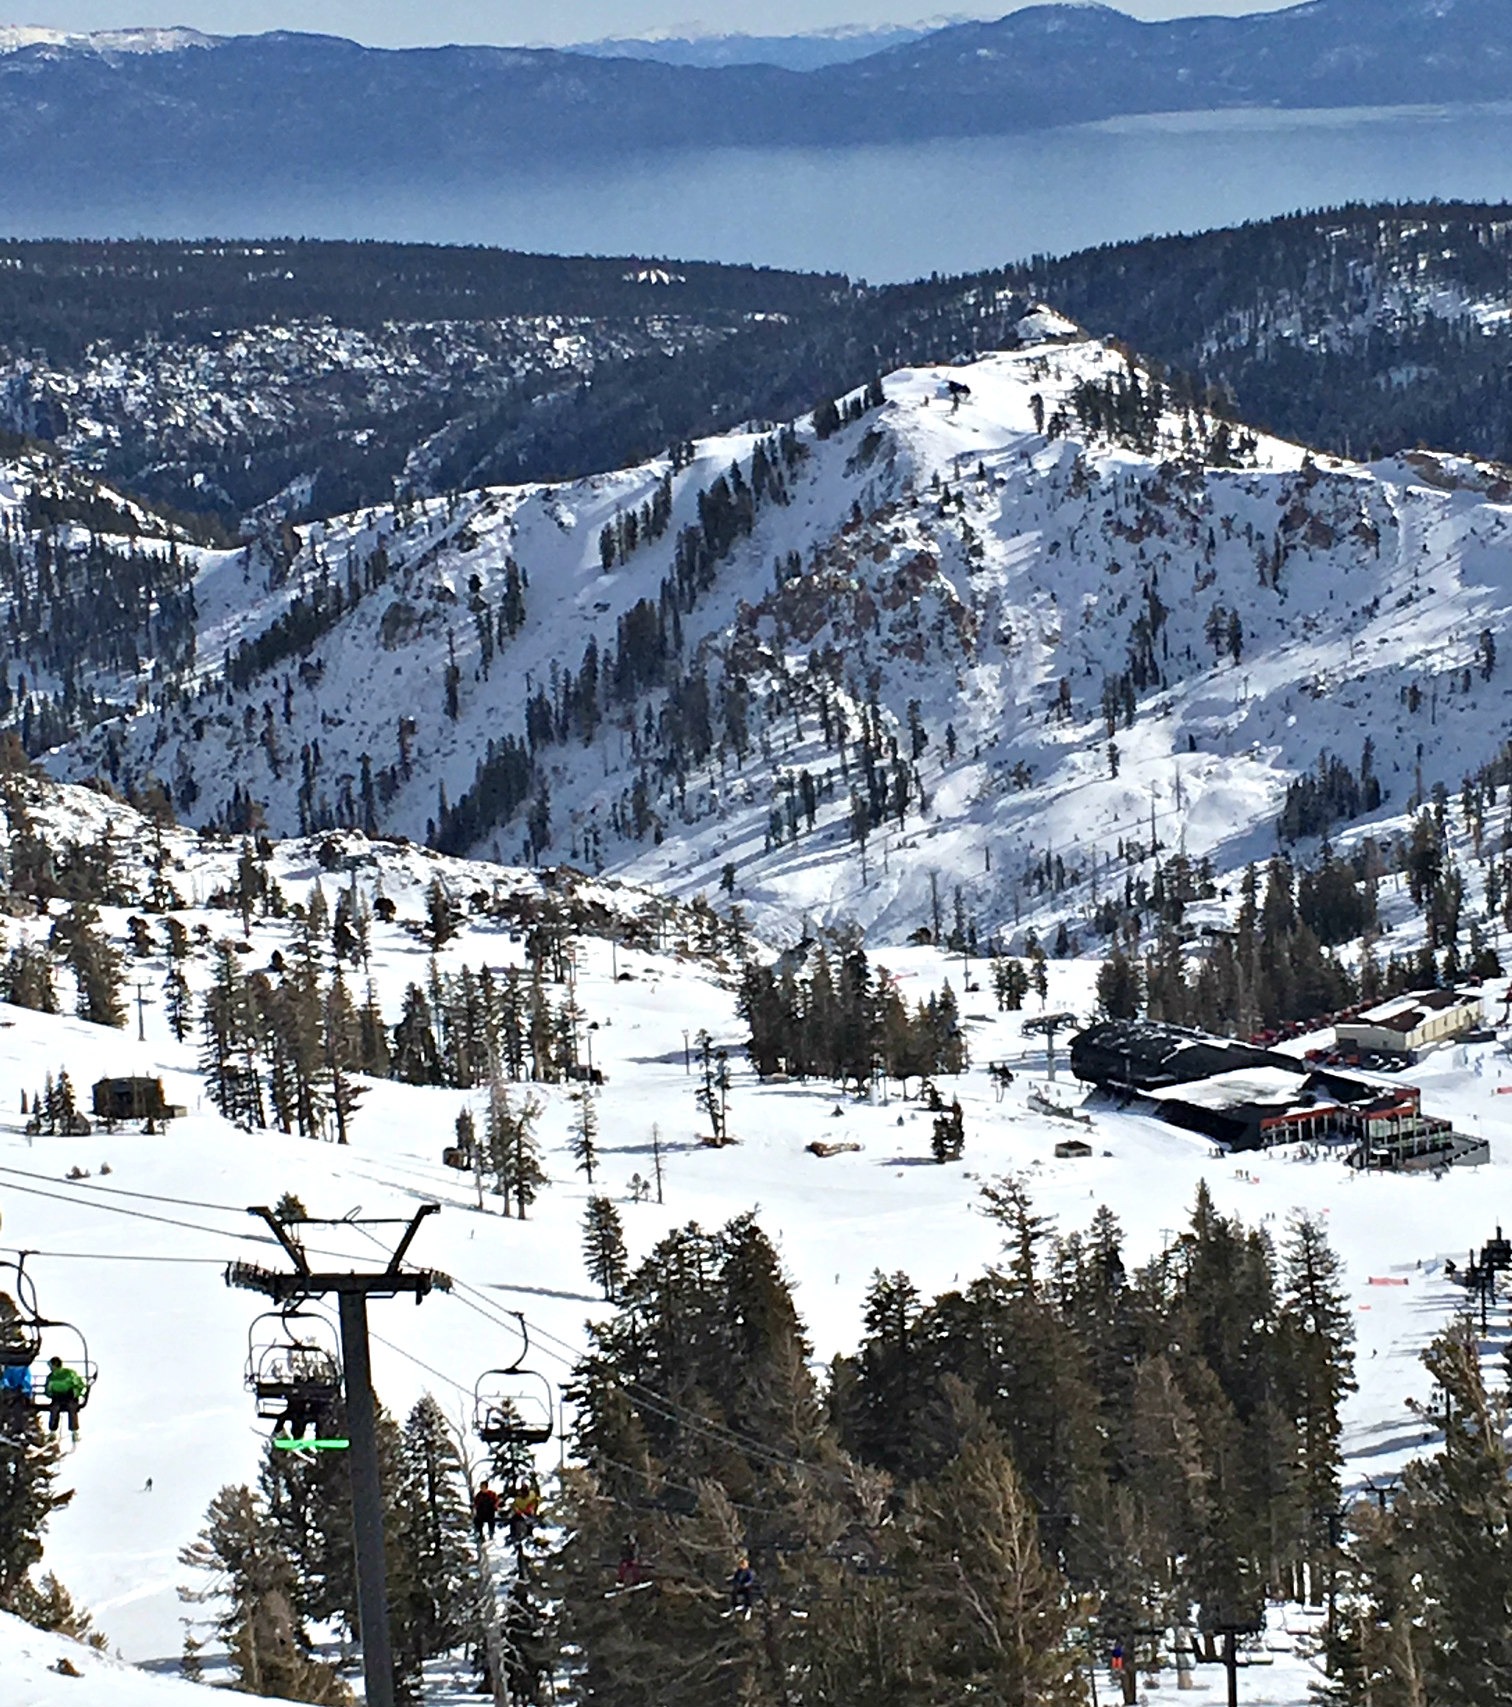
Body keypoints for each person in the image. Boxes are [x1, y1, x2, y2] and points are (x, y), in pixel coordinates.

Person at [43, 1356, 85, 1441]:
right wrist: (50, 1394)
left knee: (71, 1408)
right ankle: (53, 1432)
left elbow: (79, 1384)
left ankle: (74, 1432)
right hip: (58, 1397)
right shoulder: (51, 1377)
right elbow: (47, 1390)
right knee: (55, 1409)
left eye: (51, 1366)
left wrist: (75, 1392)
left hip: (70, 1396)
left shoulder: (69, 1373)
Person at [508, 1481, 540, 1548]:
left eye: (525, 1492)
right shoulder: (518, 1498)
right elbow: (514, 1505)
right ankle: (514, 1537)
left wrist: (532, 1506)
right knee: (513, 1521)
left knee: (530, 1522)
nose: (524, 1494)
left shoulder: (532, 1495)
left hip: (529, 1513)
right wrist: (516, 1509)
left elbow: (536, 1500)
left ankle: (530, 1535)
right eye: (523, 1492)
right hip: (520, 1514)